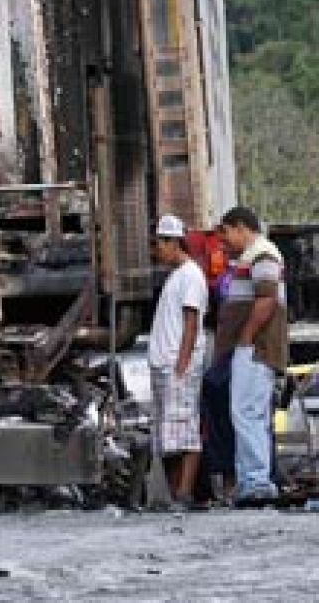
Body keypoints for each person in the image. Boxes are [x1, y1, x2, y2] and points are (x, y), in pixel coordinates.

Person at [217, 206, 289, 506]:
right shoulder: (250, 257)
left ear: (240, 227)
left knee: (247, 413)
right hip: (252, 348)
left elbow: (266, 299)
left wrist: (246, 337)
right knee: (248, 413)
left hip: (256, 349)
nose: (225, 241)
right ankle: (251, 480)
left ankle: (256, 480)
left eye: (226, 233)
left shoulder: (263, 254)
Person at [147, 215, 208, 506]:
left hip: (177, 365)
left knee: (186, 432)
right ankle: (175, 495)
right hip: (164, 365)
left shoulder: (191, 276)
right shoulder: (175, 276)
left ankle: (184, 492)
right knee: (168, 438)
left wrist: (182, 365)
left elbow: (191, 322)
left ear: (174, 242)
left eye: (160, 243)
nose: (157, 250)